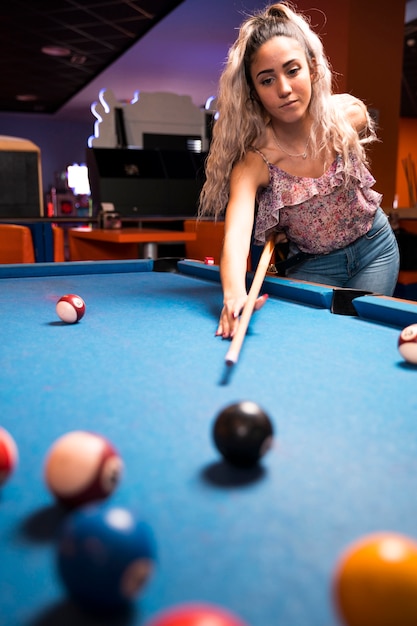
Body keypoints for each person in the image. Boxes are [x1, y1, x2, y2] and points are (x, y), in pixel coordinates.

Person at [198, 2, 400, 339]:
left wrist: (331, 120)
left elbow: (359, 112)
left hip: (376, 249)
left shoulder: (341, 118)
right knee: (301, 342)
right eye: (267, 80)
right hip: (316, 265)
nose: (284, 89)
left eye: (293, 70)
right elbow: (234, 238)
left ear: (313, 69)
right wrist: (234, 296)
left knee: (361, 340)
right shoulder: (253, 162)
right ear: (254, 93)